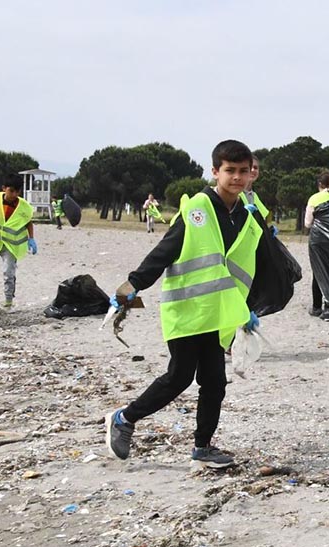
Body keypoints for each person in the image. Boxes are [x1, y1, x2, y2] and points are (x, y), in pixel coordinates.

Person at [105, 139, 265, 470]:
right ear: (215, 171)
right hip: (186, 310)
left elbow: (242, 268)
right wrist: (131, 286)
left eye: (242, 171)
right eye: (229, 171)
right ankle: (123, 418)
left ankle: (203, 448)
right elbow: (165, 251)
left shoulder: (246, 217)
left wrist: (246, 310)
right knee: (179, 377)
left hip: (216, 314)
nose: (236, 177)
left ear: (251, 174)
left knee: (215, 382)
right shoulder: (198, 210)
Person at [0, 176, 37, 309]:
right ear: (4, 188)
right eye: (11, 191)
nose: (14, 195)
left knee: (8, 274)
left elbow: (28, 222)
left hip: (11, 245)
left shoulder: (24, 206)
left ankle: (8, 302)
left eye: (17, 192)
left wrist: (31, 238)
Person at [305, 171, 329, 321]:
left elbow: (307, 223)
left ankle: (317, 307)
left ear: (320, 185)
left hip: (319, 241)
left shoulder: (315, 198)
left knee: (318, 273)